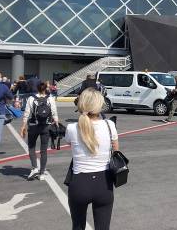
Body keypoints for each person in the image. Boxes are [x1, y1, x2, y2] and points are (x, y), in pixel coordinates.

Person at [65, 88, 119, 230]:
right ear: (99, 105)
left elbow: (69, 143)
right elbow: (117, 151)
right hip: (104, 183)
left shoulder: (71, 128)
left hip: (79, 184)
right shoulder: (110, 125)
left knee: (77, 226)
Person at [20, 82, 59, 180]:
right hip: (46, 126)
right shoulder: (50, 98)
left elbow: (27, 113)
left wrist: (23, 127)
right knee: (44, 150)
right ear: (46, 89)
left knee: (31, 147)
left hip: (33, 125)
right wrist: (57, 124)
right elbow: (54, 113)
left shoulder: (31, 98)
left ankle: (34, 168)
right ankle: (42, 173)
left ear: (37, 88)